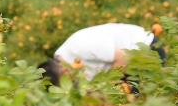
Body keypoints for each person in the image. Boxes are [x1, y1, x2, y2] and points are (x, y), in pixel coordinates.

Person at [39, 23, 167, 85]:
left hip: (148, 50)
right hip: (127, 64)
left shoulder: (80, 46)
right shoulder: (65, 60)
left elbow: (123, 58)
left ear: (64, 73)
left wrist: (110, 86)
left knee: (126, 101)